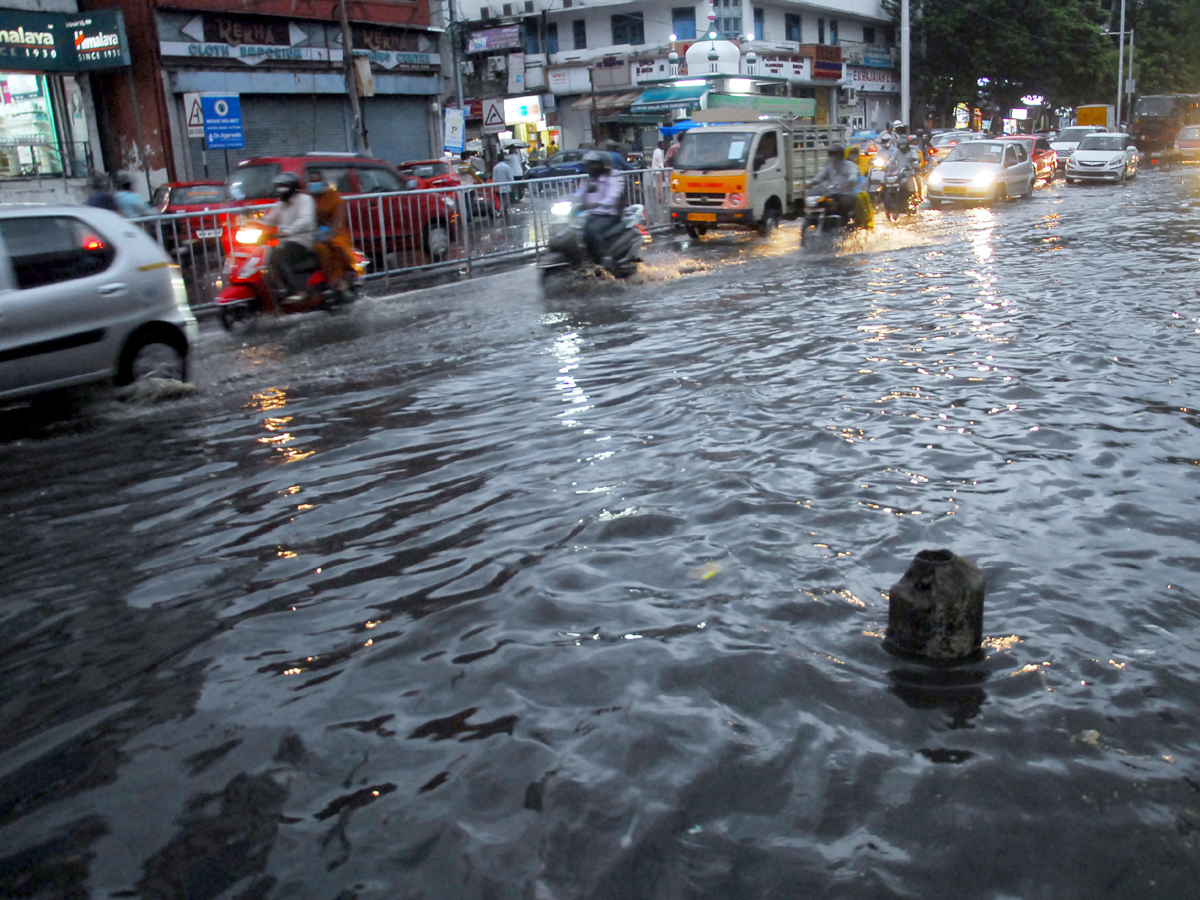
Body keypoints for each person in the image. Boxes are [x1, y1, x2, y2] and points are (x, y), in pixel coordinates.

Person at [262, 171, 318, 300]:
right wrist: (255, 223)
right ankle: (276, 290)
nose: (280, 189)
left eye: (283, 186)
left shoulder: (305, 200)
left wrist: (287, 231)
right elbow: (271, 218)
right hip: (285, 241)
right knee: (266, 258)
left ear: (292, 187)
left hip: (303, 240)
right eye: (278, 186)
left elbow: (306, 220)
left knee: (279, 254)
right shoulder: (281, 203)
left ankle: (299, 290)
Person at [572, 150, 626, 265]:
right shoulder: (589, 179)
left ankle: (605, 257)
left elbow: (613, 197)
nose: (591, 167)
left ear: (602, 165)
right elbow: (579, 192)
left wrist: (597, 204)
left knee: (591, 230)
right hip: (591, 214)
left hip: (609, 214)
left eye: (594, 164)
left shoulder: (614, 177)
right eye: (590, 164)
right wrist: (569, 199)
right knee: (576, 231)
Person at [308, 178, 355, 295]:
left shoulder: (332, 196)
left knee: (337, 244)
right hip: (314, 233)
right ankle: (330, 280)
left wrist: (331, 233)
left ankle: (348, 272)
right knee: (320, 249)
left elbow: (338, 218)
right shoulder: (308, 199)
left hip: (335, 231)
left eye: (316, 180)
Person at [809, 144, 863, 223]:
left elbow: (853, 176)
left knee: (842, 205)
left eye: (835, 154)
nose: (834, 157)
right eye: (832, 154)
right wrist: (812, 183)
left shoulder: (850, 165)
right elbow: (821, 176)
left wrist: (848, 183)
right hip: (832, 192)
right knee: (820, 203)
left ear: (841, 155)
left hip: (847, 193)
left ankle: (843, 222)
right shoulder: (829, 166)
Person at [491, 154, 515, 226]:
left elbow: (494, 179)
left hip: (498, 187)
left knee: (500, 200)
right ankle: (505, 211)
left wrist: (494, 186)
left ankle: (502, 210)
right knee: (506, 199)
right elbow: (510, 177)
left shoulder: (495, 168)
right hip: (506, 187)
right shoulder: (507, 167)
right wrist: (513, 183)